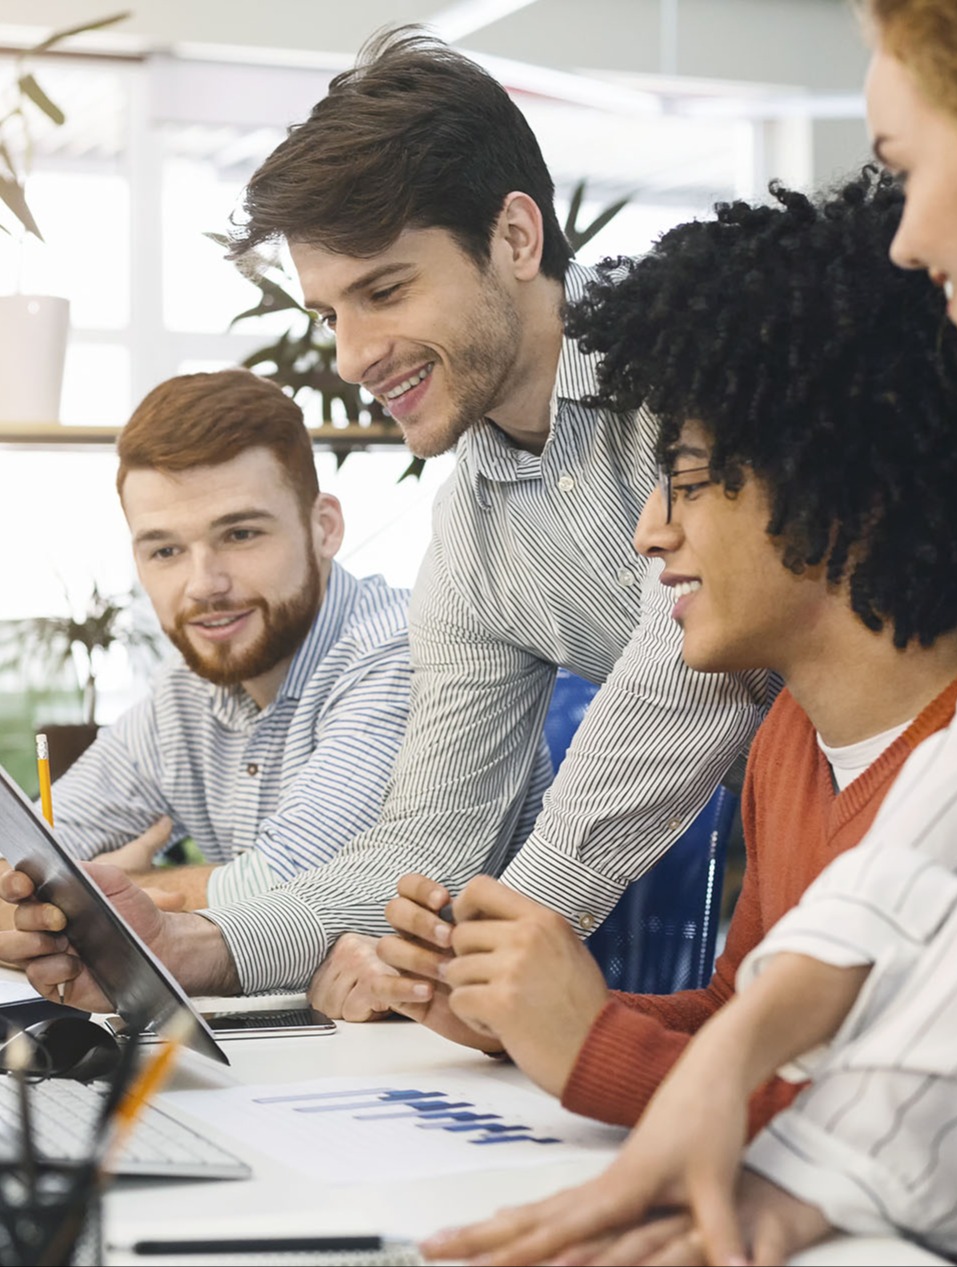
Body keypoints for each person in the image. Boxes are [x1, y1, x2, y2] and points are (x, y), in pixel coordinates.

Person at [0, 26, 771, 1005]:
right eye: (330, 315)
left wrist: (499, 947)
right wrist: (200, 944)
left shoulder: (704, 372)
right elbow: (433, 836)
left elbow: (685, 684)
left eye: (385, 290)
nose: (355, 355)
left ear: (516, 238)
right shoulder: (474, 539)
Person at [415, 3, 957, 1261]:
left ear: (842, 483)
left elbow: (887, 1126)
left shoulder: (941, 750)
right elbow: (753, 1018)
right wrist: (549, 1007)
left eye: (687, 476)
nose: (650, 534)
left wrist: (590, 1043)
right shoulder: (788, 741)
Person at [16, 366, 428, 912]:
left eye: (240, 534)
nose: (204, 585)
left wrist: (88, 894)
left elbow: (290, 885)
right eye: (165, 551)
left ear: (323, 527)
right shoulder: (184, 696)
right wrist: (37, 891)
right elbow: (22, 858)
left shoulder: (401, 652)